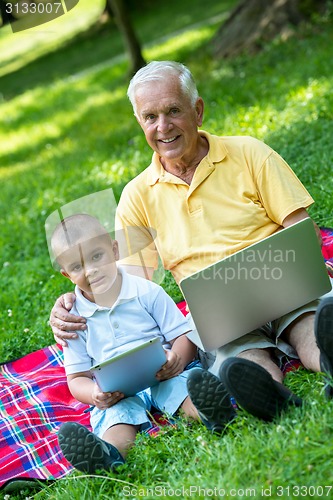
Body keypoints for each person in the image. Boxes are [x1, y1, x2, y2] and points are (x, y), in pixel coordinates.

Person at [50, 61, 333, 428]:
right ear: (140, 123)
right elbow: (131, 286)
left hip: (282, 283)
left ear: (197, 110)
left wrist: (295, 266)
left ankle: (327, 362)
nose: (162, 127)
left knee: (311, 328)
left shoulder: (249, 153)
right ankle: (273, 398)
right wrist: (74, 298)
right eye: (150, 117)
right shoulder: (137, 197)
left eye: (173, 111)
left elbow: (303, 231)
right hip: (219, 314)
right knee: (240, 360)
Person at [50, 213, 236, 474]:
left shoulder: (146, 291)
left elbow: (182, 336)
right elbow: (76, 378)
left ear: (114, 250)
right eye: (77, 266)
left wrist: (177, 360)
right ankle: (107, 457)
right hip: (117, 393)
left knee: (184, 388)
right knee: (116, 418)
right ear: (66, 274)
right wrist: (94, 394)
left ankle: (213, 414)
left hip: (163, 373)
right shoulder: (73, 319)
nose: (90, 270)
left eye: (96, 256)